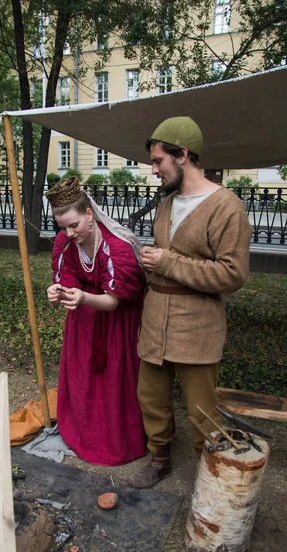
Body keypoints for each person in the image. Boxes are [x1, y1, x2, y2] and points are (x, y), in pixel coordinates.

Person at [129, 116, 252, 488]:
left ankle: (211, 474)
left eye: (158, 161)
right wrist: (145, 258)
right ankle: (159, 459)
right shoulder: (167, 204)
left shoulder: (226, 207)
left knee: (202, 409)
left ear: (182, 155)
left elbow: (232, 274)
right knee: (150, 397)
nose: (153, 170)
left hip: (197, 323)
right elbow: (166, 258)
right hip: (156, 318)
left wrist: (167, 261)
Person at [46, 176, 146, 466]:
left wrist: (83, 298)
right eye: (62, 227)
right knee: (84, 380)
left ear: (89, 215)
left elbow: (114, 301)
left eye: (73, 225)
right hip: (84, 323)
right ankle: (84, 431)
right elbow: (67, 279)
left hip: (117, 324)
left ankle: (116, 440)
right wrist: (59, 291)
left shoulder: (117, 247)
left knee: (115, 380)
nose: (68, 232)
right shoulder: (65, 244)